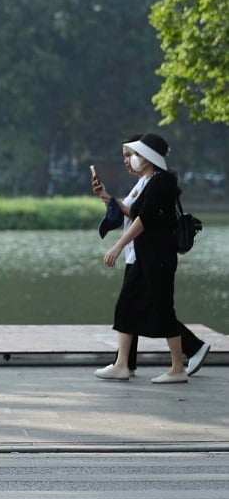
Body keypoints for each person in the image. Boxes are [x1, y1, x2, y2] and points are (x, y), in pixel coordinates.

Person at [93, 135, 210, 379]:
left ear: (148, 157)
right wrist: (106, 197)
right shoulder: (149, 182)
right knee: (128, 307)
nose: (131, 160)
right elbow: (134, 211)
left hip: (157, 255)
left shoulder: (161, 181)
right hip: (145, 255)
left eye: (134, 154)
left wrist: (117, 246)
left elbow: (143, 219)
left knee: (161, 309)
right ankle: (123, 364)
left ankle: (178, 366)